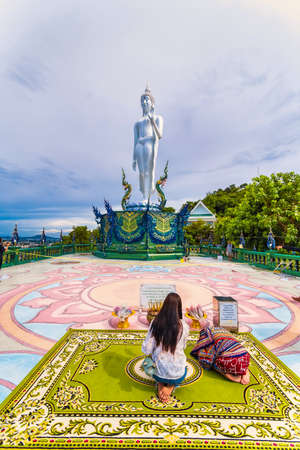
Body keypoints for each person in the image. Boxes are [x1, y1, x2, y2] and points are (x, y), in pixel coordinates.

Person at [142, 292, 189, 403]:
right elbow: (184, 347)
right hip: (178, 374)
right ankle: (170, 387)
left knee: (149, 362)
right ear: (179, 307)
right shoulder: (184, 326)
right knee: (185, 367)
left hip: (158, 372)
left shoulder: (155, 323)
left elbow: (146, 349)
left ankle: (160, 383)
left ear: (164, 306)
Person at [190, 320, 250, 385]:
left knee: (211, 360)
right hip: (245, 355)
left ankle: (230, 376)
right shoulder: (222, 330)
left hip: (229, 360)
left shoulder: (206, 333)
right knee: (232, 350)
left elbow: (204, 354)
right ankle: (245, 370)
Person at [133, 84, 163, 204]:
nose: (145, 102)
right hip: (139, 146)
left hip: (149, 144)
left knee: (148, 171)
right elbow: (135, 141)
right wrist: (133, 159)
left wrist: (152, 121)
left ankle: (147, 197)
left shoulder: (157, 118)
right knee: (141, 173)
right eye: (143, 100)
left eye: (147, 100)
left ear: (152, 103)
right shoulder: (137, 122)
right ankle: (143, 195)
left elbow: (160, 135)